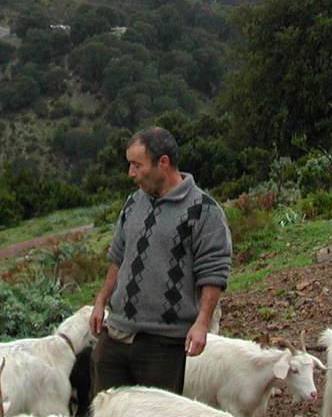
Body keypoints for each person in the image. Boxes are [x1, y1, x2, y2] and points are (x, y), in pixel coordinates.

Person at [89, 126, 232, 396]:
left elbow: (213, 272)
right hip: (116, 334)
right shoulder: (133, 203)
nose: (131, 174)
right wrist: (100, 301)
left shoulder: (204, 210)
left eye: (136, 165)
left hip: (163, 344)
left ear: (163, 163)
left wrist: (202, 324)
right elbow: (118, 256)